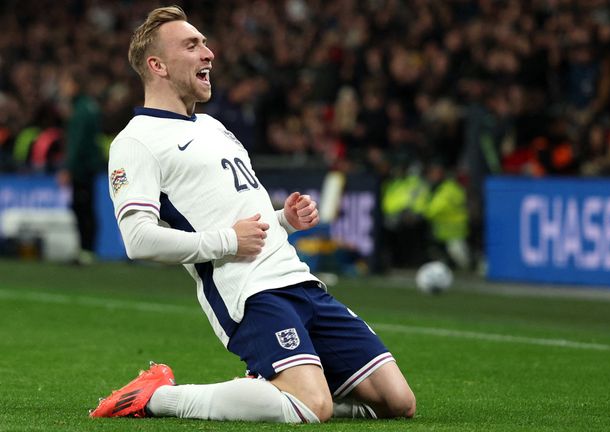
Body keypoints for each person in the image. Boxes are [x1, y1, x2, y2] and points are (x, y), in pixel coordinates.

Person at [90, 6, 415, 424]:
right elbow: (138, 240)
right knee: (312, 406)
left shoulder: (214, 127)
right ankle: (156, 397)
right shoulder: (136, 141)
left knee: (398, 402)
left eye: (205, 42)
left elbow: (240, 216)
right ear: (157, 65)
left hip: (300, 280)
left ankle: (276, 393)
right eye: (192, 45)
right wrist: (228, 241)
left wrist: (283, 220)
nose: (208, 53)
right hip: (247, 292)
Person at [57, 69, 104, 265]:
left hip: (82, 168)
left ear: (75, 85)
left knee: (82, 208)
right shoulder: (89, 106)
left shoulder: (80, 110)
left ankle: (86, 251)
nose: (63, 87)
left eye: (66, 83)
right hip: (89, 166)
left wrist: (68, 168)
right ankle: (86, 250)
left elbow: (76, 142)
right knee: (86, 208)